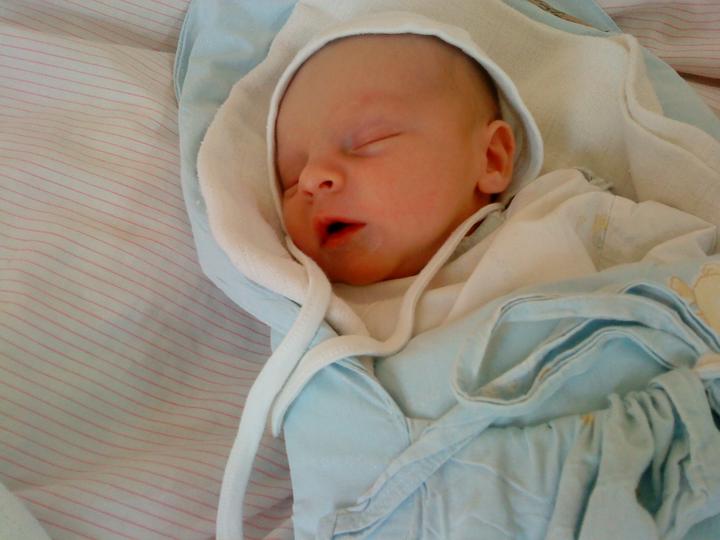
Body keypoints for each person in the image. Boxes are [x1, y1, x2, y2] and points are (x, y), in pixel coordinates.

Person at [275, 34, 516, 285]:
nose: (310, 178)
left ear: (490, 159)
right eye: (292, 175)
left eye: (370, 140)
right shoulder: (285, 291)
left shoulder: (535, 242)